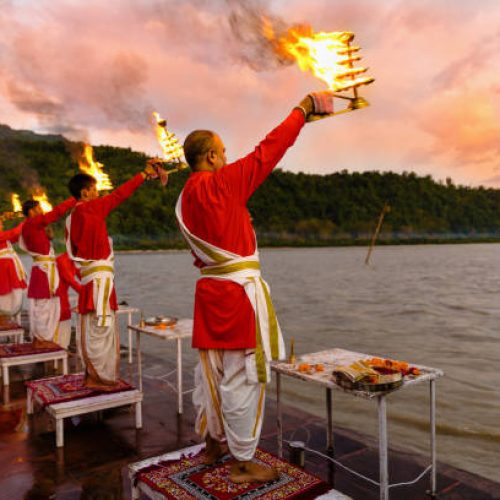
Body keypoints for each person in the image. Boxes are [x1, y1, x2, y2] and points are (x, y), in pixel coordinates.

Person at [175, 92, 334, 483]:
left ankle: (213, 443)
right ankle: (242, 461)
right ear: (211, 157)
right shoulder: (223, 184)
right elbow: (270, 149)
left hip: (208, 294)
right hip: (237, 297)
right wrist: (302, 110)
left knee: (209, 373)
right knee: (243, 376)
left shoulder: (182, 199)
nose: (228, 158)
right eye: (223, 152)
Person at [66, 162, 165, 390]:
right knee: (102, 329)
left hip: (92, 281)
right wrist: (143, 174)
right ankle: (101, 378)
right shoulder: (89, 209)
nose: (98, 192)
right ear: (85, 193)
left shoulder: (73, 216)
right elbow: (121, 194)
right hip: (99, 282)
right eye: (94, 189)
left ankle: (94, 375)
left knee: (94, 329)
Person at [20, 197, 76, 348]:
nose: (42, 211)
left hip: (42, 269)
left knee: (44, 305)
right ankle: (41, 339)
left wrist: (47, 236)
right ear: (31, 211)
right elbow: (56, 212)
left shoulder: (30, 226)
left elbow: (40, 244)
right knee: (44, 306)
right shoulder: (32, 223)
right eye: (38, 208)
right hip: (44, 270)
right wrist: (74, 199)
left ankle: (41, 338)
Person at [0, 215, 27, 327]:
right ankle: (2, 319)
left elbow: (14, 236)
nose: (1, 225)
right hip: (2, 270)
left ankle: (6, 317)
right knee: (4, 295)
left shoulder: (3, 236)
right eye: (0, 223)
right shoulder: (2, 235)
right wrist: (25, 222)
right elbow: (12, 233)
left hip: (9, 269)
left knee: (12, 294)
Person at [54, 251, 81, 349]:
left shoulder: (75, 261)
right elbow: (71, 281)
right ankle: (57, 350)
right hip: (54, 297)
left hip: (62, 295)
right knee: (61, 319)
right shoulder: (62, 260)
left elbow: (83, 277)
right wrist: (90, 296)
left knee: (66, 319)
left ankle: (62, 348)